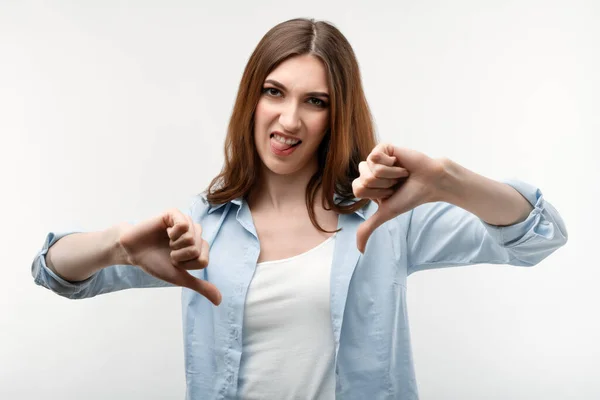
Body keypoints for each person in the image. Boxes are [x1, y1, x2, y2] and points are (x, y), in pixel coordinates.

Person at [31, 17, 568, 400]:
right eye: (274, 92)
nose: (289, 120)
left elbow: (538, 236)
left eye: (315, 101)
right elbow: (53, 271)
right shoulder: (201, 227)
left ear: (337, 116)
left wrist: (449, 179)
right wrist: (117, 244)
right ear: (251, 100)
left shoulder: (386, 217)